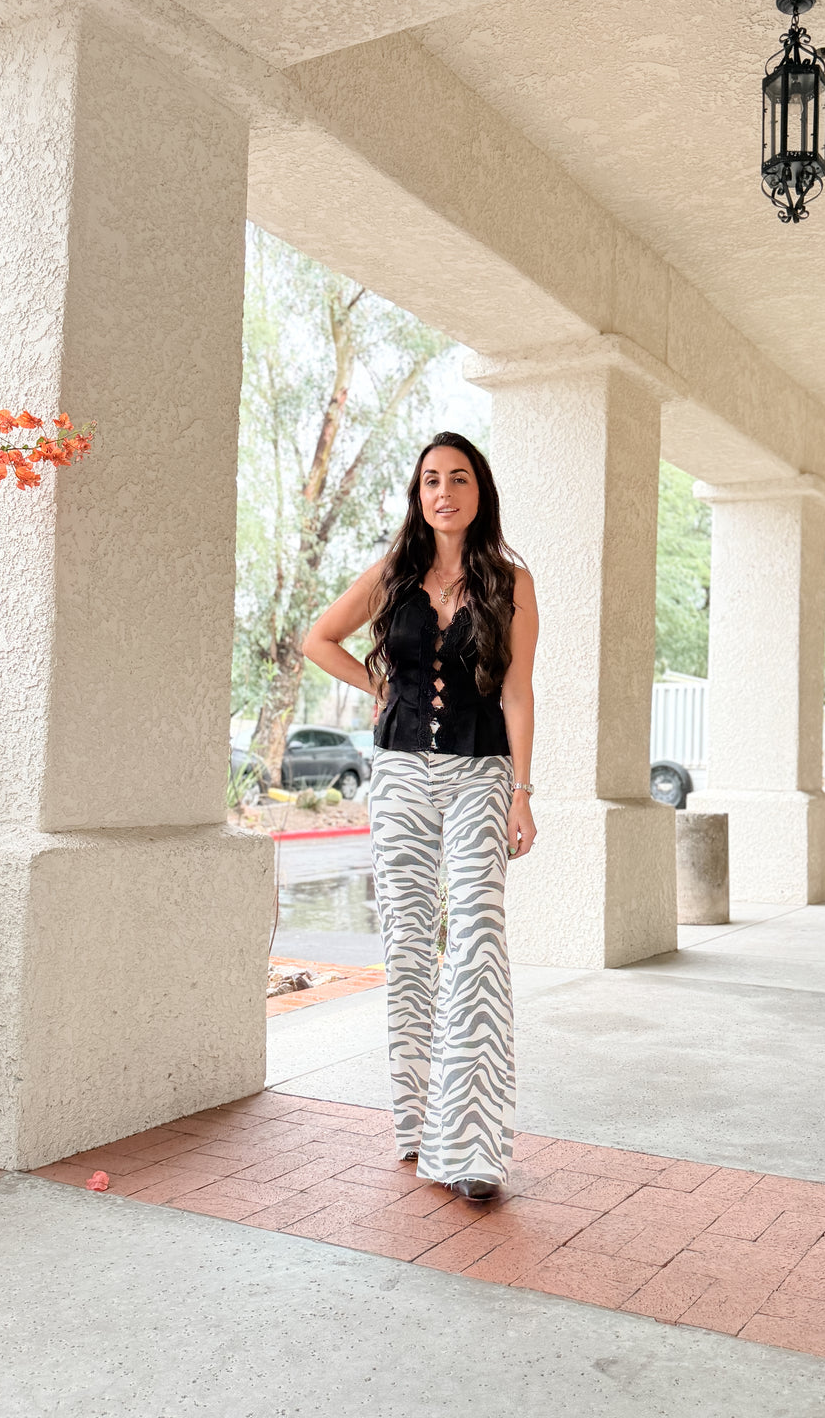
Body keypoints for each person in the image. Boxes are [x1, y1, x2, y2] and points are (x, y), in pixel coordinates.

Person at [302, 431, 538, 1202]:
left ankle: (470, 1149)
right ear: (418, 494)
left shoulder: (510, 581)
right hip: (401, 772)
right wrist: (380, 692)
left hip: (481, 774)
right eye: (431, 480)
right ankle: (415, 1120)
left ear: (480, 491)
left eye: (459, 478)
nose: (444, 491)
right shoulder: (395, 575)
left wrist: (522, 793)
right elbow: (319, 639)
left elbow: (516, 692)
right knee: (407, 940)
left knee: (476, 936)